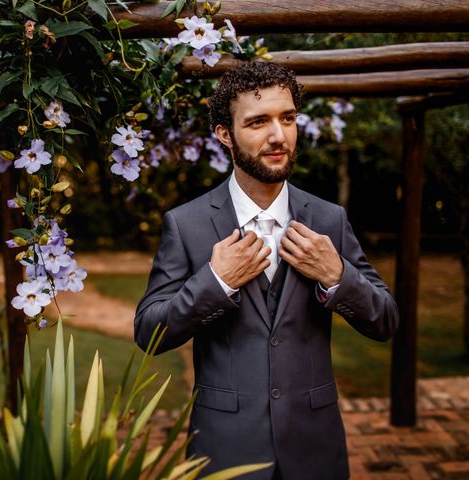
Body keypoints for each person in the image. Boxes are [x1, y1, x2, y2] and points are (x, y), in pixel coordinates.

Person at [134, 62, 399, 480]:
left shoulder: (329, 219)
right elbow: (149, 333)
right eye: (258, 122)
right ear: (225, 134)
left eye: (288, 118)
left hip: (315, 448)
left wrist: (337, 275)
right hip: (225, 450)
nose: (278, 136)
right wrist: (215, 281)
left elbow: (385, 320)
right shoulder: (187, 225)